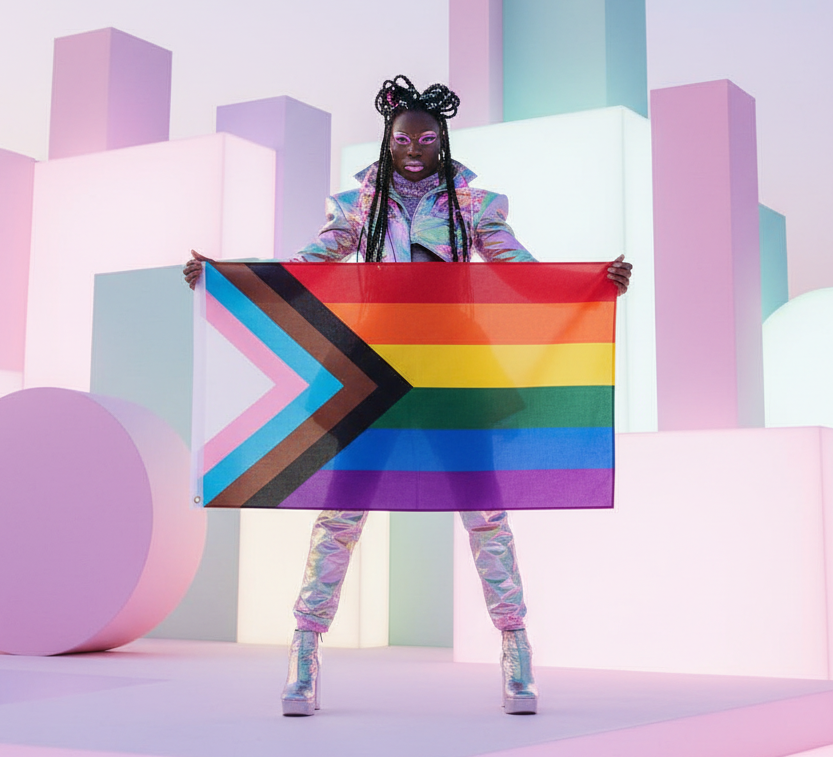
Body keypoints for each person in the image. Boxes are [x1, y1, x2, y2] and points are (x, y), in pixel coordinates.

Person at [184, 75, 632, 718]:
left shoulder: (474, 205)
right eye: (403, 137)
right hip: (371, 368)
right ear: (386, 141)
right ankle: (305, 650)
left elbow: (516, 269)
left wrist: (589, 283)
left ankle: (515, 647)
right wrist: (226, 280)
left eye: (427, 136)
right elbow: (305, 268)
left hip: (453, 368)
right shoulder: (356, 206)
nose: (415, 146)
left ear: (442, 139)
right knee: (341, 513)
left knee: (485, 513)